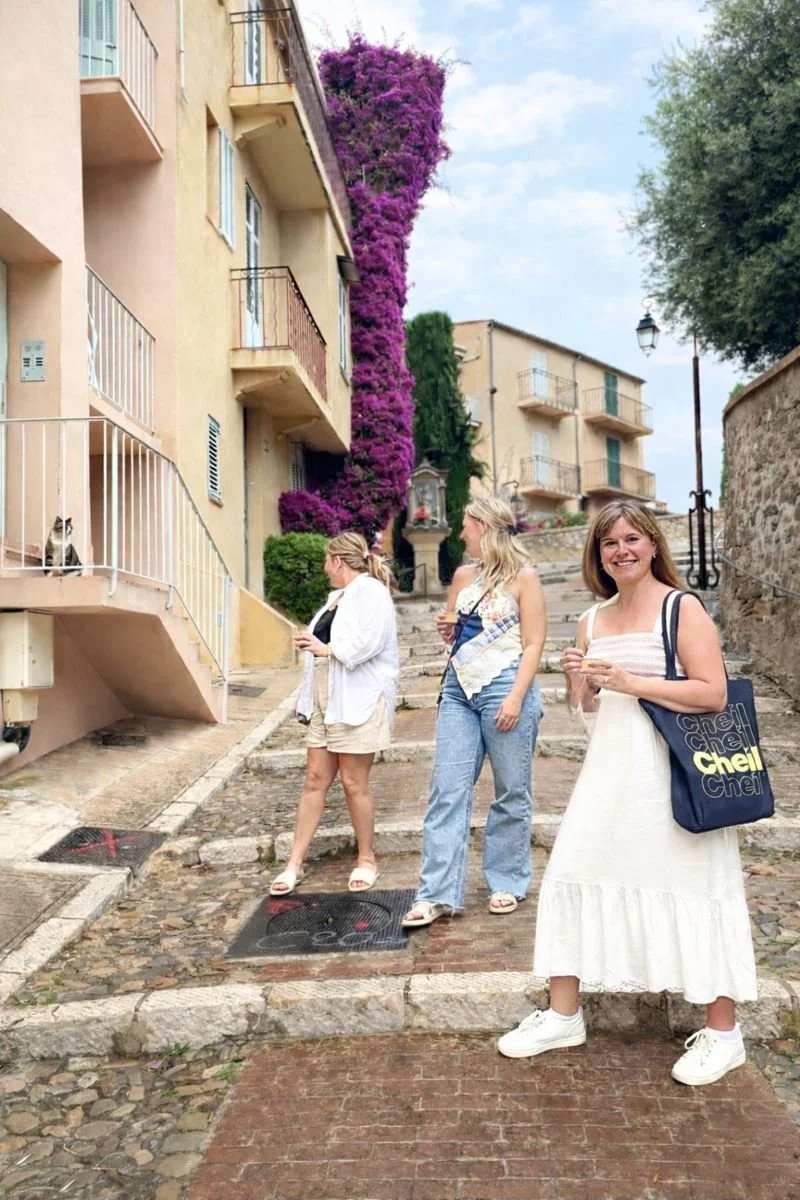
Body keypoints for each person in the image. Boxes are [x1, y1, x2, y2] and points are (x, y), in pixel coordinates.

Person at [498, 500, 758, 1087]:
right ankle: (564, 1015)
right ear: (599, 554)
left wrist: (630, 680)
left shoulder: (682, 608)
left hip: (674, 779)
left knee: (696, 888)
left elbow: (713, 693)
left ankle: (723, 1034)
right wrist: (580, 682)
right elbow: (591, 710)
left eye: (633, 538)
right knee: (569, 873)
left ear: (652, 545)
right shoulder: (592, 619)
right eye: (610, 542)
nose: (622, 549)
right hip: (609, 774)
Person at [402, 496, 547, 927]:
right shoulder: (464, 575)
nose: (461, 533)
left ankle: (507, 881)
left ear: (484, 526)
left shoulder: (525, 578)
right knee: (446, 789)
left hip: (506, 687)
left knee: (510, 791)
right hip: (459, 691)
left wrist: (517, 697)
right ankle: (435, 893)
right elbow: (457, 634)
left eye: (466, 525)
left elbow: (535, 642)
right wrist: (448, 630)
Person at [269, 531, 399, 896]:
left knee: (353, 783)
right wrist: (306, 696)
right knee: (314, 779)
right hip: (327, 701)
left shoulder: (372, 592)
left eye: (327, 561)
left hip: (358, 700)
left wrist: (325, 649)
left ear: (338, 561)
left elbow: (367, 645)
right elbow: (323, 652)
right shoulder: (333, 599)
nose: (325, 568)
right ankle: (293, 863)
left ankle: (366, 859)